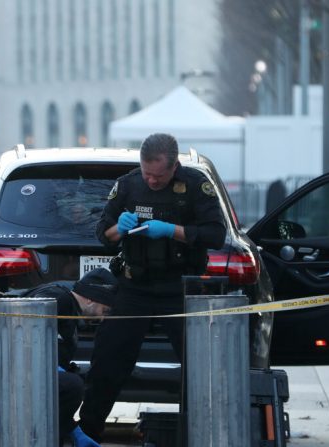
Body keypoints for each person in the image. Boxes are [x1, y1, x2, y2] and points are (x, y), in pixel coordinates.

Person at [78, 133, 227, 442]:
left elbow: (215, 234)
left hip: (180, 288)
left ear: (174, 166)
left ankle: (204, 433)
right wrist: (118, 229)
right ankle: (87, 432)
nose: (152, 180)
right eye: (147, 173)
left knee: (199, 366)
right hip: (135, 287)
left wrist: (172, 231)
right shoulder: (129, 185)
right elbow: (102, 234)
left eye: (159, 175)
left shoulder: (196, 185)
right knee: (108, 362)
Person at [0, 268, 118, 447]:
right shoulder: (56, 300)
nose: (102, 318)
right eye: (104, 309)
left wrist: (74, 431)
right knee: (72, 386)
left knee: (62, 395)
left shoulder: (66, 306)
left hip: (7, 387)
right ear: (91, 298)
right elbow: (17, 340)